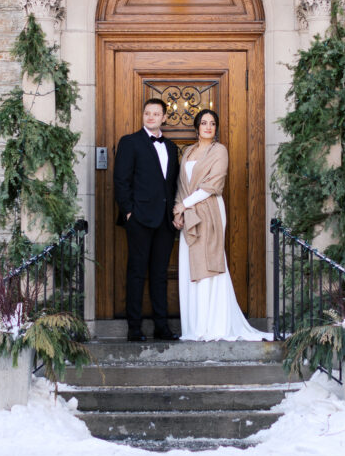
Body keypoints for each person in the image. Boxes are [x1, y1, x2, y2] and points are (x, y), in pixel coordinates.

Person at [173, 109, 272, 341]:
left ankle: (213, 325)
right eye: (204, 123)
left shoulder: (220, 151)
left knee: (209, 264)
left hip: (210, 212)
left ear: (216, 128)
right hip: (188, 214)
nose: (208, 127)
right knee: (190, 266)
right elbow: (181, 184)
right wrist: (178, 211)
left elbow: (213, 184)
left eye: (213, 123)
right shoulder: (188, 151)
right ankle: (194, 327)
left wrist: (183, 205)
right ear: (197, 127)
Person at [113, 98, 181, 342]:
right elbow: (121, 180)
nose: (151, 117)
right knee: (137, 272)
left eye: (156, 114)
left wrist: (175, 212)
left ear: (164, 118)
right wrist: (129, 212)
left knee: (160, 274)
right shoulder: (130, 142)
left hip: (164, 221)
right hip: (139, 218)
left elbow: (173, 184)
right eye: (147, 113)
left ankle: (162, 327)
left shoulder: (172, 147)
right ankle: (134, 328)